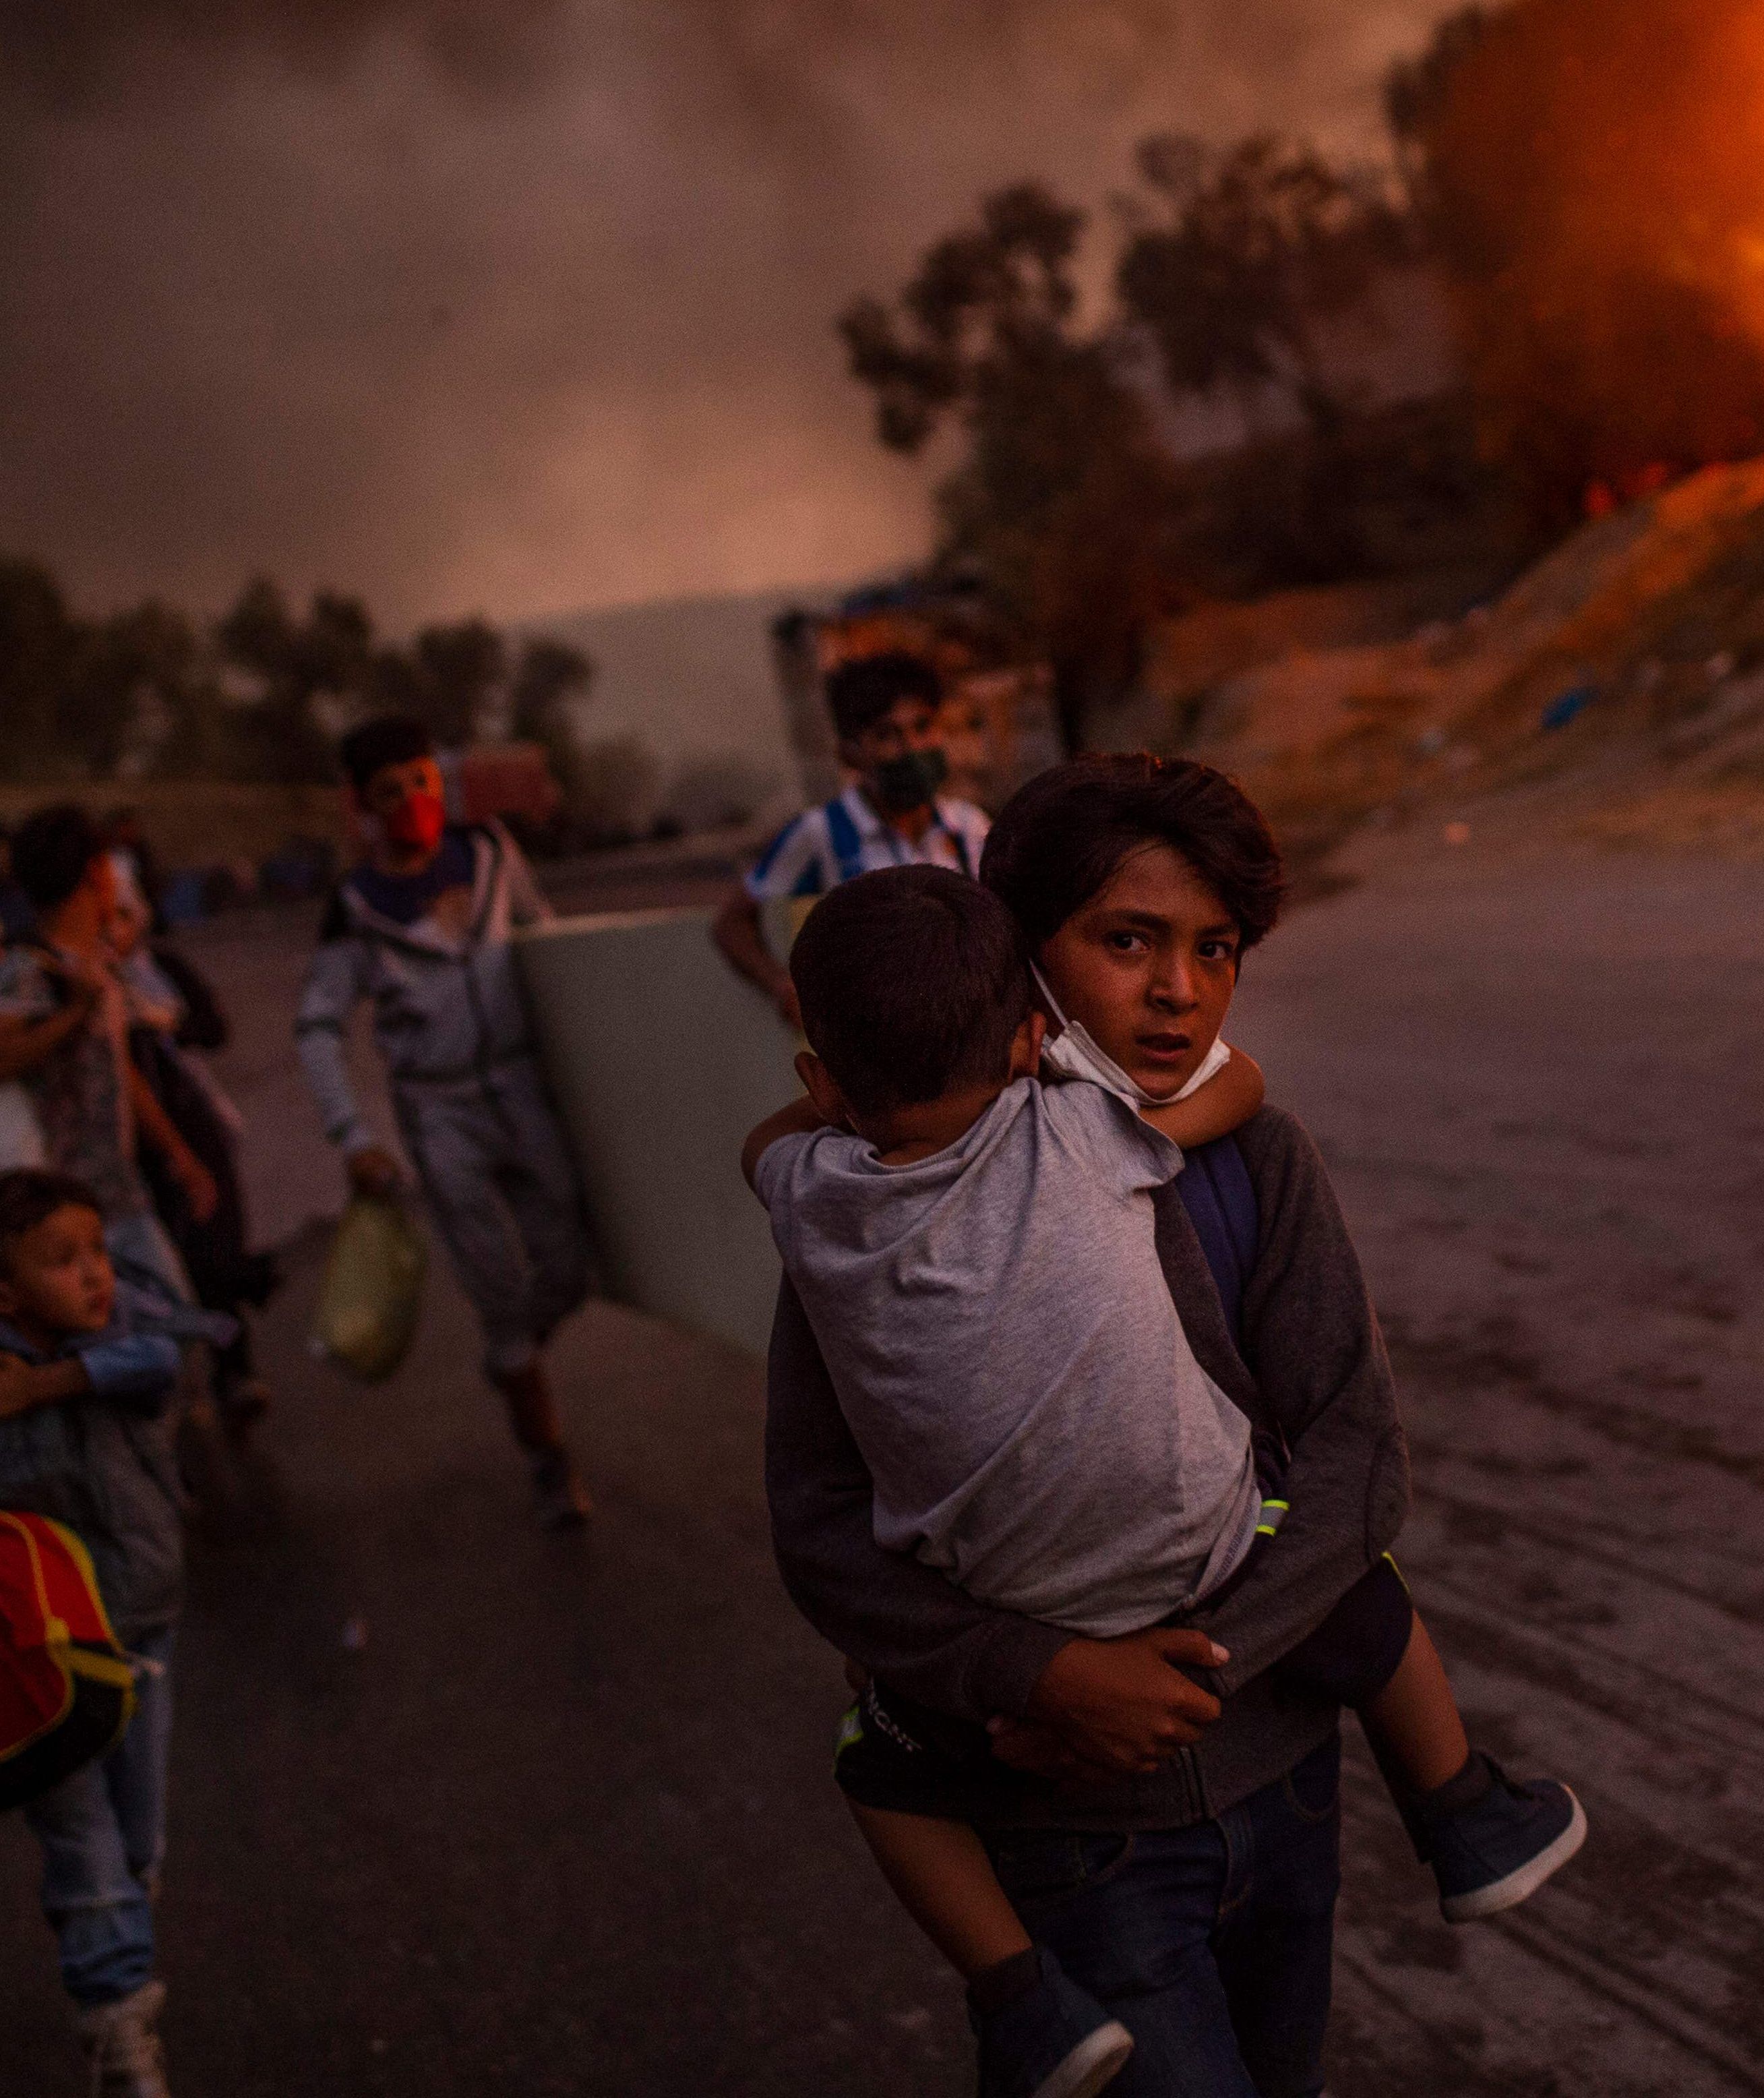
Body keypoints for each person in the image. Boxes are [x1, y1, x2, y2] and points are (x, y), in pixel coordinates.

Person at [765, 756, 1583, 2094]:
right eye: (1125, 938)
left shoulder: (1256, 1164)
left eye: (1215, 949)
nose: (1177, 991)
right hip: (1059, 1830)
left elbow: (1352, 1461)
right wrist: (1032, 1675)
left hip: (1284, 1782)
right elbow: (818, 1530)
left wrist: (1185, 1668)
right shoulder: (879, 1219)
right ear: (1017, 957)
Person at [295, 715, 593, 1527]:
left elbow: (546, 944)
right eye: (390, 792)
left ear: (440, 781)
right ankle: (547, 1461)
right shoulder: (356, 908)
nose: (412, 801)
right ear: (362, 805)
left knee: (570, 1254)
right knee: (495, 1283)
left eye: (421, 782)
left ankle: (513, 1352)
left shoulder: (491, 853)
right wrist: (351, 1136)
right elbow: (318, 1026)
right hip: (439, 1108)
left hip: (523, 1086)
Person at [0, 1168, 237, 2098]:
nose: (95, 1273)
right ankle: (119, 2027)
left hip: (141, 1620)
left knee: (138, 1842)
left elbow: (171, 1355)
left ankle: (116, 1959)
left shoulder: (126, 1328)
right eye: (65, 1262)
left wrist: (48, 1384)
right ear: (8, 1291)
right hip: (46, 1648)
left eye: (97, 1250)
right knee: (85, 1840)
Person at [0, 805, 218, 1310]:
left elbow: (118, 1069)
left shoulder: (98, 967)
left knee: (171, 1331)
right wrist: (75, 1011)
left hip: (119, 1193)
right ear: (96, 874)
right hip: (57, 1209)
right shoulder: (26, 971)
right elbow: (3, 1056)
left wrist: (178, 1154)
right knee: (147, 1344)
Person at [712, 651, 991, 1025]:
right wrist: (782, 986)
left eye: (922, 727)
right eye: (886, 735)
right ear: (851, 753)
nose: (910, 749)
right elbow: (732, 924)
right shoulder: (822, 833)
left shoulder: (969, 827)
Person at [109, 851, 276, 1439]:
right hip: (143, 1152)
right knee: (164, 1273)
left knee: (218, 1253)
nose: (117, 931)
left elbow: (215, 1028)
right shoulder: (91, 988)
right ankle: (189, 1390)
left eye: (126, 915)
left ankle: (235, 1372)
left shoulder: (165, 970)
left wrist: (165, 1023)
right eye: (108, 916)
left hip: (200, 1129)